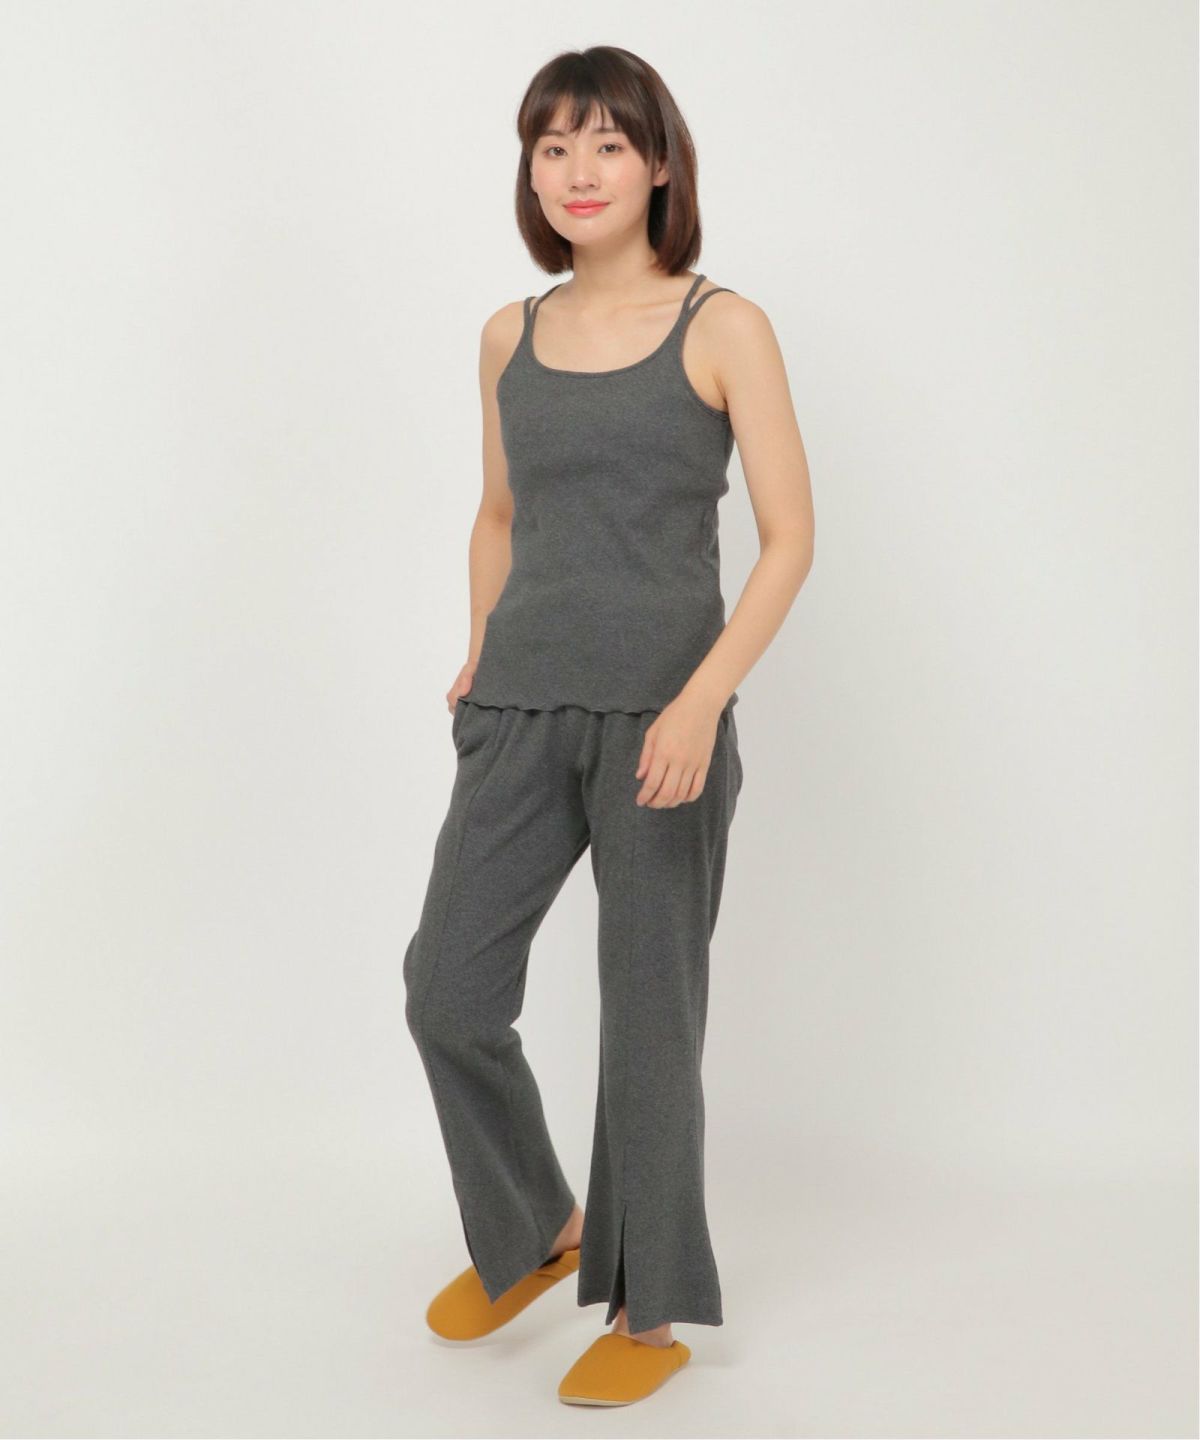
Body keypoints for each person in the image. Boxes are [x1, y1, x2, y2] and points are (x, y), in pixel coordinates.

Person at [403, 44, 814, 1408]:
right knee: (448, 989)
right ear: (531, 171)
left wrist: (700, 701)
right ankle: (536, 1229)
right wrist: (481, 651)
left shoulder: (723, 327)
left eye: (607, 144)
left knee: (647, 1025)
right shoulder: (508, 336)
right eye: (553, 147)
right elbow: (498, 515)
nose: (578, 171)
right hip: (518, 710)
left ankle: (648, 1315)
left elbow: (791, 539)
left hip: (661, 721)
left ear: (659, 165)